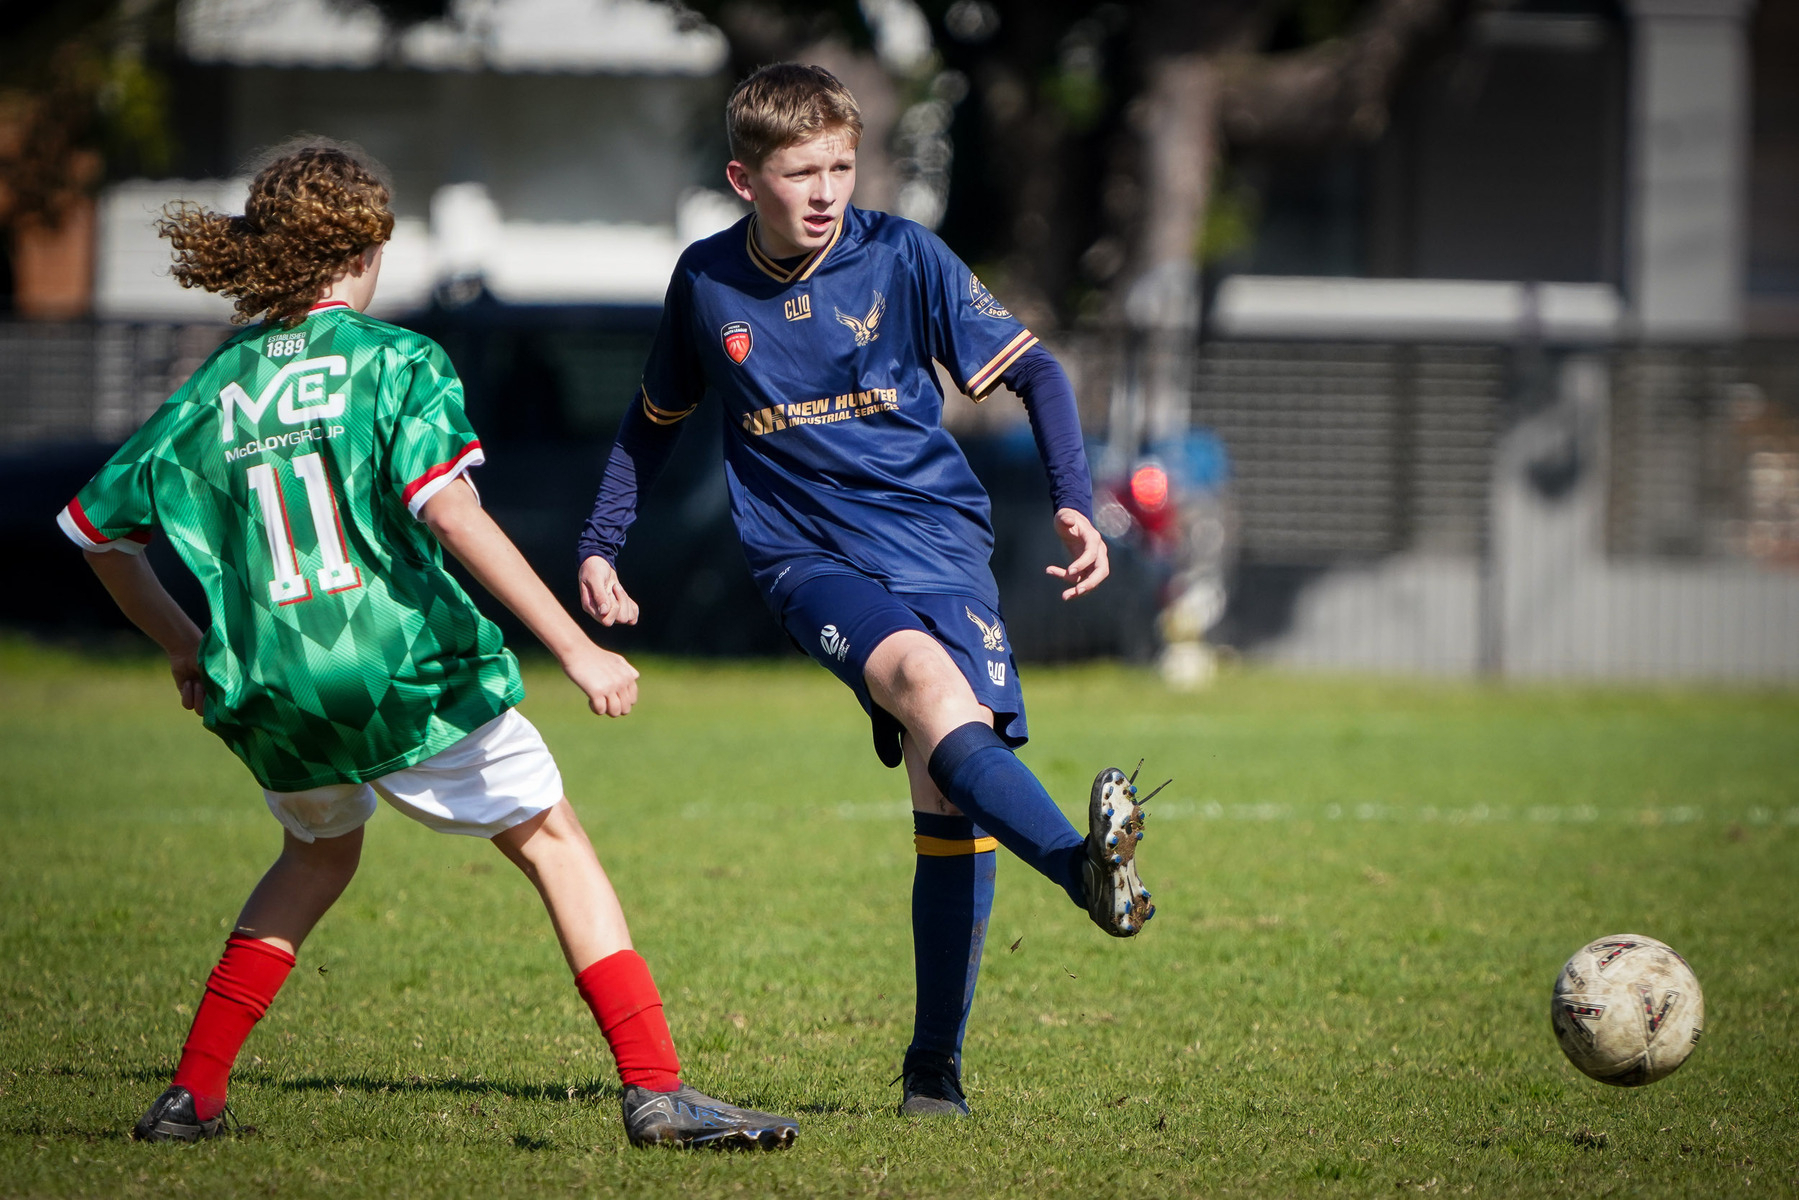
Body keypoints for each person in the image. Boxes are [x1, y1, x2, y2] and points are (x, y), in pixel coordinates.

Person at [56, 139, 796, 1151]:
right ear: (364, 250)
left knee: (315, 856)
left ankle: (193, 1095)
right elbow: (450, 513)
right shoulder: (395, 361)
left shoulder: (217, 382)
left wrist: (185, 645)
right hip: (402, 666)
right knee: (551, 839)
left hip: (270, 684)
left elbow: (95, 534)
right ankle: (657, 1090)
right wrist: (574, 648)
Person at [577, 64, 1162, 1119]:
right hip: (806, 559)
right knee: (928, 688)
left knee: (948, 796)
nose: (824, 191)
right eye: (800, 171)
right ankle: (1081, 870)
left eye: (840, 166)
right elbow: (649, 423)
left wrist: (1075, 499)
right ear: (741, 176)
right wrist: (600, 542)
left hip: (939, 547)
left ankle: (931, 1076)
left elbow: (1039, 373)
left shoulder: (904, 256)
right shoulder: (705, 285)